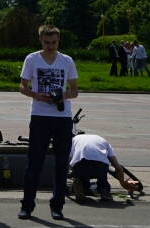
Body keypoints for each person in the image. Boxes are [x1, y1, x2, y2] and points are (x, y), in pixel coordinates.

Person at [19, 24, 79, 221]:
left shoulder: (67, 60)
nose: (50, 46)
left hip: (62, 118)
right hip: (40, 115)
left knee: (61, 164)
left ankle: (57, 206)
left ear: (58, 41)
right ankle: (27, 206)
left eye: (54, 42)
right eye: (46, 42)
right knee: (34, 162)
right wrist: (38, 95)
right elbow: (22, 87)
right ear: (40, 40)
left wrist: (63, 96)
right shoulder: (32, 59)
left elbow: (74, 91)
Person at [69, 133, 143, 202]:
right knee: (103, 179)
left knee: (81, 178)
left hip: (81, 164)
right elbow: (117, 165)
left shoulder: (74, 140)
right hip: (100, 166)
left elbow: (67, 161)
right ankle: (104, 191)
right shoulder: (103, 140)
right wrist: (122, 182)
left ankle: (80, 188)